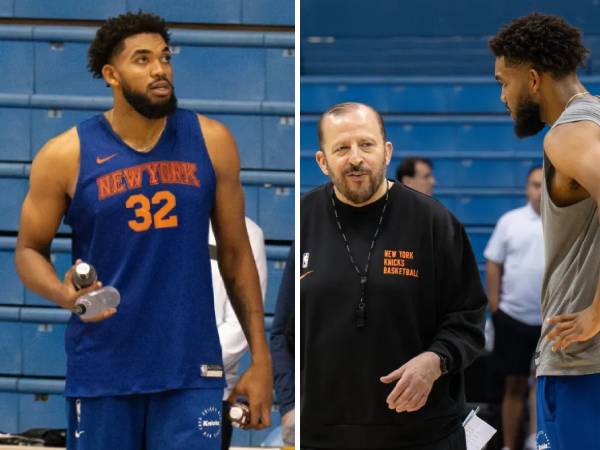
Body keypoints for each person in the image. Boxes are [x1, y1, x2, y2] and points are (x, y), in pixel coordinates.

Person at [14, 12, 272, 450]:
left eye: (165, 57)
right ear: (111, 75)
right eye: (143, 59)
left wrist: (261, 359)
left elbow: (236, 254)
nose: (160, 70)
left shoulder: (212, 141)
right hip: (104, 370)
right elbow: (27, 251)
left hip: (191, 370)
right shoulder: (64, 155)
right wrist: (64, 296)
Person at [300, 102, 486, 450]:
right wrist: (288, 401)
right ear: (322, 161)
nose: (356, 158)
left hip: (423, 435)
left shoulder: (434, 221)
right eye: (341, 148)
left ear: (386, 152)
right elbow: (283, 330)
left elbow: (468, 319)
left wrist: (435, 361)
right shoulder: (303, 217)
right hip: (320, 435)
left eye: (366, 145)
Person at [490, 13, 600, 449]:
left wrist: (596, 312)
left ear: (532, 79)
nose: (502, 96)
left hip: (583, 365)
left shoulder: (568, 134)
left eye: (504, 82)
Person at [484, 166, 544, 450]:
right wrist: (495, 308)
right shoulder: (510, 222)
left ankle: (537, 441)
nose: (540, 192)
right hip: (513, 320)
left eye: (546, 185)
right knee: (514, 386)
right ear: (526, 188)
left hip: (551, 323)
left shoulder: (564, 222)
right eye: (535, 185)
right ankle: (510, 445)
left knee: (543, 385)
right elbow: (493, 263)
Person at [210, 217, 268, 450]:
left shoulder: (248, 232)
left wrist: (185, 366)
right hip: (143, 386)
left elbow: (240, 325)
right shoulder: (155, 223)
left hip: (210, 391)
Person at [270, 242, 295, 446]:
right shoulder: (306, 235)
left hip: (382, 418)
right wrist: (289, 405)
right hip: (312, 417)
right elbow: (280, 334)